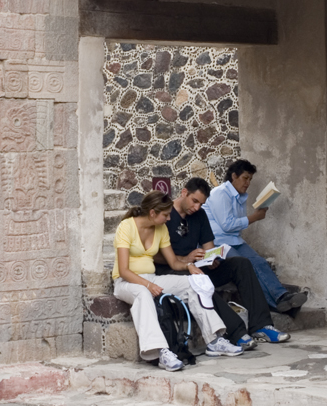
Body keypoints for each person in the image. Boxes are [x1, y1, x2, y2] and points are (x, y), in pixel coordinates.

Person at [111, 190, 243, 371]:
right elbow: (124, 271)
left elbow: (173, 262)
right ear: (152, 213)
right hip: (126, 282)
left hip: (152, 278)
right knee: (143, 293)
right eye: (165, 215)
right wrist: (148, 285)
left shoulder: (161, 229)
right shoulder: (126, 227)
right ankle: (161, 351)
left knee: (192, 283)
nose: (168, 219)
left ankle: (214, 340)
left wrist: (189, 267)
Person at [158, 177, 291, 346]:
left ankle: (261, 326)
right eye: (194, 201)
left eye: (201, 203)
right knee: (201, 281)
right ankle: (237, 333)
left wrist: (211, 259)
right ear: (184, 193)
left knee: (241, 264)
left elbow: (209, 247)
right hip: (174, 270)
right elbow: (154, 254)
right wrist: (185, 259)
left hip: (197, 266)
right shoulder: (165, 214)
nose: (197, 207)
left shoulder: (200, 214)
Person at [202, 159, 307, 313]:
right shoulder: (220, 193)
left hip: (234, 240)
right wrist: (255, 217)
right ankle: (275, 304)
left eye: (250, 179)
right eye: (245, 178)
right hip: (218, 243)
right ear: (234, 176)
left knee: (260, 262)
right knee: (246, 266)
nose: (248, 183)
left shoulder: (240, 197)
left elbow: (235, 226)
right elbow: (227, 225)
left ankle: (282, 297)